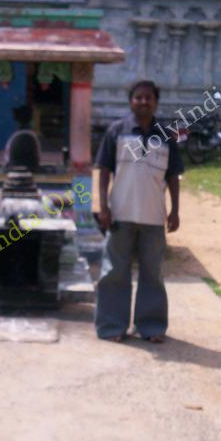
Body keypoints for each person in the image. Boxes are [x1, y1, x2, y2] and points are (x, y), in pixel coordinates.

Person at [94, 80, 183, 343]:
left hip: (153, 218)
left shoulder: (167, 136)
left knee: (152, 274)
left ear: (156, 102)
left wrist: (175, 211)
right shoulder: (116, 131)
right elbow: (103, 171)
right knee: (113, 273)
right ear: (131, 101)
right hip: (120, 215)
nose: (144, 102)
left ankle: (152, 327)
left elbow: (174, 177)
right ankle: (112, 326)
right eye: (139, 97)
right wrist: (103, 206)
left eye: (148, 98)